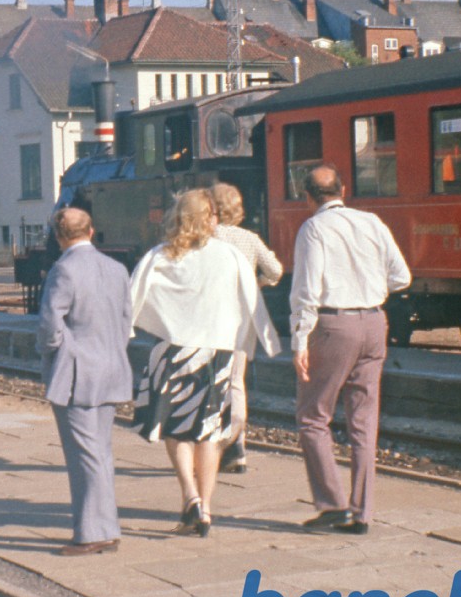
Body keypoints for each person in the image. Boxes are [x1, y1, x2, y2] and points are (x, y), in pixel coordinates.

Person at [129, 189, 280, 538]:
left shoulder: (160, 255)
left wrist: (126, 332)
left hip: (174, 352)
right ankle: (207, 508)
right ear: (208, 218)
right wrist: (265, 341)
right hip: (216, 354)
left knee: (177, 430)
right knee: (209, 433)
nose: (216, 219)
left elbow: (132, 297)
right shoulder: (230, 256)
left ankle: (190, 495)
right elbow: (251, 301)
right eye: (212, 214)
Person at [291, 164, 410, 535]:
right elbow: (402, 276)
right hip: (375, 323)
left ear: (307, 196)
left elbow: (307, 291)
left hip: (333, 326)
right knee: (363, 419)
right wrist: (371, 290)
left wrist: (299, 340)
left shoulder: (313, 229)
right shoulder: (372, 222)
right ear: (342, 190)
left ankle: (332, 506)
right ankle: (362, 512)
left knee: (313, 416)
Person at [36, 208, 133, 557]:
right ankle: (106, 526)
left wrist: (57, 349)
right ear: (91, 231)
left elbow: (49, 324)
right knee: (100, 452)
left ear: (60, 236)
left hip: (77, 371)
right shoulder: (117, 268)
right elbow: (125, 318)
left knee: (84, 455)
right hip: (111, 366)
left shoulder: (64, 269)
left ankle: (93, 532)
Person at [209, 182, 284, 475]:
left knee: (212, 382)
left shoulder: (206, 239)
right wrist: (257, 284)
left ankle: (217, 443)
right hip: (243, 319)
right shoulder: (250, 239)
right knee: (236, 382)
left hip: (210, 319)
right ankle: (237, 447)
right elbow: (276, 270)